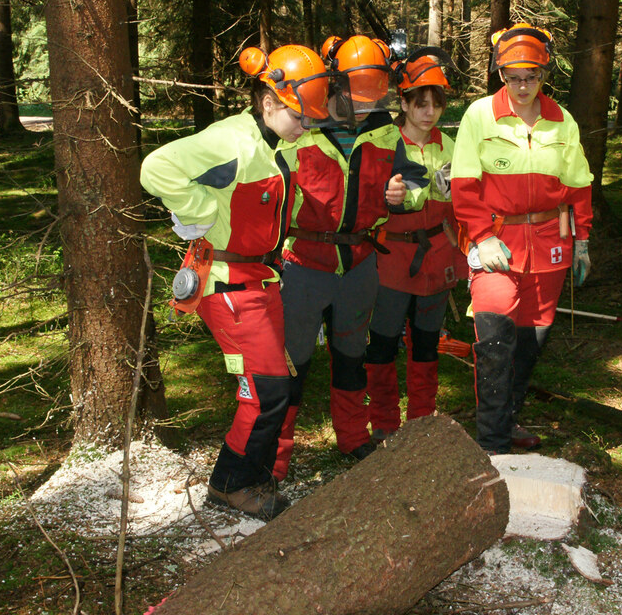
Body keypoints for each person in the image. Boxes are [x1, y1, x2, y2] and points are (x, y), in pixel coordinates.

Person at [139, 44, 331, 519]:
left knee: (277, 385)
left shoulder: (273, 143)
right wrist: (198, 212)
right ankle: (230, 484)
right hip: (226, 280)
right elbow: (156, 167)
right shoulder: (233, 143)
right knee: (266, 390)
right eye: (298, 116)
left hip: (260, 276)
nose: (304, 126)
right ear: (268, 102)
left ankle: (255, 472)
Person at [278, 34, 428, 464]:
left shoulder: (383, 129)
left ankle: (353, 439)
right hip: (304, 263)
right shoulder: (298, 126)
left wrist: (403, 193)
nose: (364, 109)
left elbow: (414, 181)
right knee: (293, 361)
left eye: (372, 100)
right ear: (335, 84)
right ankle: (277, 456)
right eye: (356, 100)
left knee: (351, 356)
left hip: (359, 263)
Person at [451, 22, 593, 454]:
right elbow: (463, 184)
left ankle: (508, 420)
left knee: (531, 344)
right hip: (496, 241)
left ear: (544, 75)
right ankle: (491, 443)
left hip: (550, 243)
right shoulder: (480, 115)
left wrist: (582, 239)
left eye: (531, 76)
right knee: (493, 340)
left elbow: (578, 184)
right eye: (514, 77)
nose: (523, 85)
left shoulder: (560, 120)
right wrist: (480, 236)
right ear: (501, 75)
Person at [364, 48, 466, 442]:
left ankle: (423, 422)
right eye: (420, 103)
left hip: (436, 255)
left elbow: (461, 206)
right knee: (383, 343)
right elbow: (357, 203)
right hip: (391, 256)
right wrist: (383, 197)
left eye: (436, 104)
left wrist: (462, 255)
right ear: (402, 102)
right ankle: (385, 424)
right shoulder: (379, 143)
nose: (429, 113)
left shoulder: (451, 146)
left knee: (426, 343)